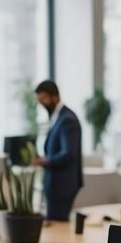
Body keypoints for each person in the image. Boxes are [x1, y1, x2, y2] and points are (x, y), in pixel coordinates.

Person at [30, 80, 83, 220]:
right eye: (39, 101)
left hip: (62, 187)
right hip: (56, 185)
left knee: (57, 228)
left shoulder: (67, 119)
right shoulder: (58, 117)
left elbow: (68, 154)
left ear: (55, 97)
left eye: (44, 99)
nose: (41, 104)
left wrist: (44, 161)